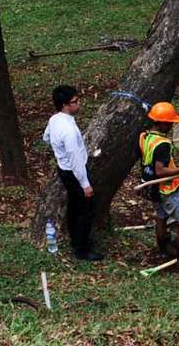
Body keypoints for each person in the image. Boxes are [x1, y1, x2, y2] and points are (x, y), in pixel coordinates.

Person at [138, 102, 179, 273]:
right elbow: (160, 171)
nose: (172, 125)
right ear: (162, 123)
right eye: (170, 123)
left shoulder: (146, 136)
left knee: (161, 216)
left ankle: (164, 247)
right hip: (166, 189)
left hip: (152, 189)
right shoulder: (163, 145)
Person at [43, 85, 103, 261]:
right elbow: (76, 160)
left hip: (64, 170)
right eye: (74, 102)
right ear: (64, 105)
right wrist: (85, 184)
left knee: (74, 206)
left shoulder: (55, 120)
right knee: (85, 210)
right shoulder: (68, 131)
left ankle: (75, 239)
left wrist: (57, 149)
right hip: (74, 173)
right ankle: (82, 249)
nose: (79, 104)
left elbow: (46, 137)